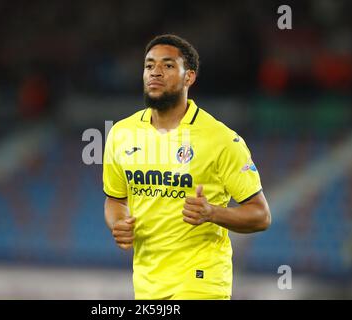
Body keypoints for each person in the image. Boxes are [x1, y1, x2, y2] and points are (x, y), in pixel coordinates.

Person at [103, 34, 271, 300]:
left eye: (168, 65)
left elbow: (261, 216)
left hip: (200, 281)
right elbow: (115, 199)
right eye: (149, 65)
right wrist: (118, 223)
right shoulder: (121, 134)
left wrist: (212, 213)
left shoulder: (220, 139)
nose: (155, 72)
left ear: (188, 77)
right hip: (147, 283)